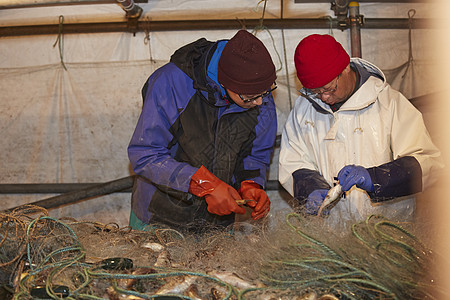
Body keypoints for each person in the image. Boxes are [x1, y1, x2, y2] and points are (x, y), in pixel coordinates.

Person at [278, 34, 443, 222]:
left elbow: (429, 163)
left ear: (346, 67)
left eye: (329, 88)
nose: (324, 98)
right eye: (316, 92)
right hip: (330, 235)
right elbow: (293, 162)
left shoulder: (389, 104)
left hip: (386, 231)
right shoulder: (303, 109)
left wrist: (375, 178)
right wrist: (310, 188)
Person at [128, 30, 277, 233]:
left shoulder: (258, 92)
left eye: (266, 92)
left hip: (217, 223)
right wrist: (204, 185)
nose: (260, 102)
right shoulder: (170, 83)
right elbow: (145, 155)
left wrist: (251, 184)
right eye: (250, 97)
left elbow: (255, 154)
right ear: (225, 83)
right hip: (160, 217)